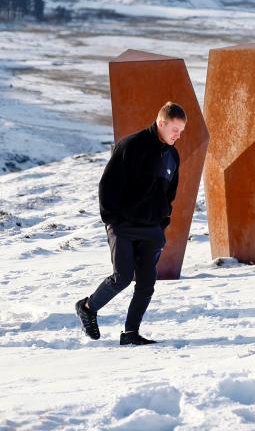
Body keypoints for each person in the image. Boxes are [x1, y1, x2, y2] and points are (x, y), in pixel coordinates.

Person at [75, 101, 185, 345]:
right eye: (175, 129)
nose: (178, 135)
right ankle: (87, 307)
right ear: (162, 123)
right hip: (123, 225)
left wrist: (162, 223)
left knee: (146, 284)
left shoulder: (172, 155)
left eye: (181, 131)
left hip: (152, 229)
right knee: (122, 277)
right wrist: (111, 220)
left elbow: (170, 193)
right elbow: (107, 184)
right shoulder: (131, 145)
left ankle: (130, 333)